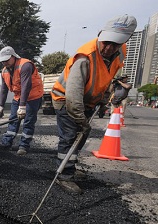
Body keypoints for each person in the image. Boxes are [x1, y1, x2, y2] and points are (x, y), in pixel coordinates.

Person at [50, 15, 137, 193]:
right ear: (100, 34)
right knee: (69, 137)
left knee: (81, 136)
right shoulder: (85, 58)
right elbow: (73, 98)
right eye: (105, 42)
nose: (108, 48)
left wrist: (104, 99)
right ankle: (63, 175)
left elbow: (107, 76)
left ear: (124, 41)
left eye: (115, 44)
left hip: (88, 101)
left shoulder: (121, 52)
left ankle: (70, 166)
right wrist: (81, 120)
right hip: (66, 100)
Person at [0, 46, 44, 156]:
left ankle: (23, 146)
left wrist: (22, 107)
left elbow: (26, 86)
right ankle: (6, 143)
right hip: (18, 97)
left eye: (7, 60)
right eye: (3, 61)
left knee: (28, 121)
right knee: (13, 119)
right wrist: (1, 106)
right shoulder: (4, 71)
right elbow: (4, 89)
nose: (5, 63)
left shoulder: (25, 65)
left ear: (13, 56)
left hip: (33, 97)